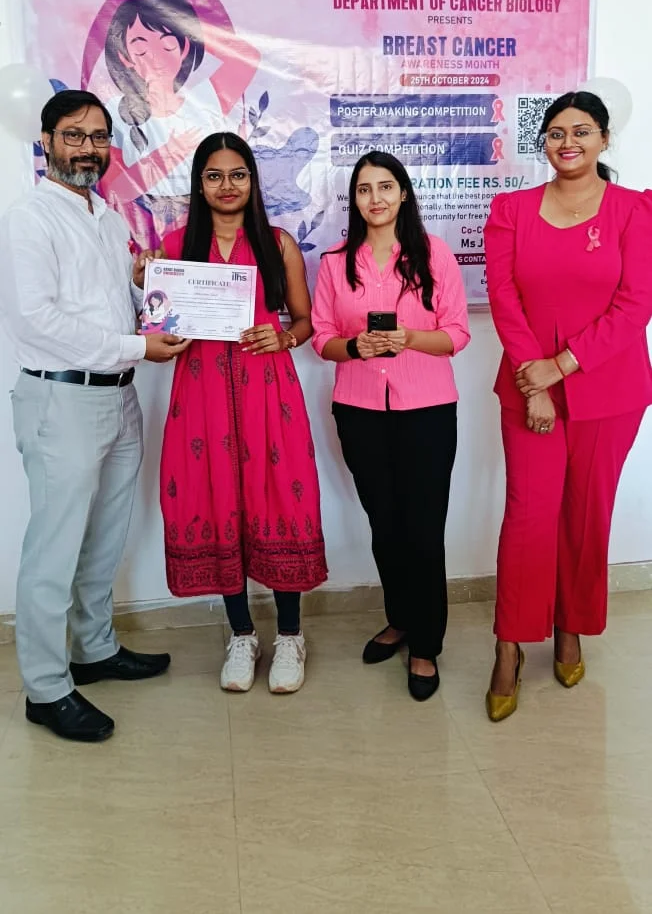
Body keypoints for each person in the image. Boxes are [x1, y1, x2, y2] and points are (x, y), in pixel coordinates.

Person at [0, 90, 191, 743]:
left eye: (98, 136)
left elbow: (116, 305)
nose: (87, 148)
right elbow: (38, 322)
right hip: (62, 399)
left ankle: (94, 649)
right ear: (47, 142)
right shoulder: (27, 221)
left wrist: (146, 286)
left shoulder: (108, 219)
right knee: (54, 549)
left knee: (104, 536)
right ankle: (46, 688)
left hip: (118, 395)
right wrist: (139, 346)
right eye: (73, 135)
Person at [484, 91, 652, 722]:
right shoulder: (511, 210)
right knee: (529, 517)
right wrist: (538, 383)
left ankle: (570, 625)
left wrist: (563, 366)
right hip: (528, 385)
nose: (568, 142)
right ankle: (509, 645)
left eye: (581, 131)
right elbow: (504, 297)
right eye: (556, 132)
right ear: (544, 144)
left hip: (610, 390)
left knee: (586, 515)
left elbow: (635, 305)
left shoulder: (635, 211)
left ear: (605, 139)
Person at [159, 133, 327, 694]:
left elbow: (305, 322)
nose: (226, 186)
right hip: (201, 393)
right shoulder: (176, 245)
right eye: (214, 175)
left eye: (238, 174)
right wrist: (150, 295)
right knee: (217, 499)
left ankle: (290, 636)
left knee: (278, 497)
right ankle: (241, 634)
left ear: (253, 181)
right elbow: (161, 330)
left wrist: (283, 337)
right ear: (199, 183)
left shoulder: (277, 244)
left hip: (268, 393)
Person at [311, 152, 470, 701]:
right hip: (359, 411)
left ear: (404, 193)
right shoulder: (336, 263)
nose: (374, 198)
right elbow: (321, 337)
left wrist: (409, 338)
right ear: (353, 199)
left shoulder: (434, 254)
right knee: (385, 524)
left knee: (423, 530)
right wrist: (355, 347)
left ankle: (425, 643)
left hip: (426, 411)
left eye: (385, 186)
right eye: (363, 189)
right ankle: (400, 618)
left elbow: (457, 333)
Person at [79, 0, 260, 250]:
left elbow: (247, 57)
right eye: (141, 49)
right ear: (125, 57)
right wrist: (169, 153)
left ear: (185, 46)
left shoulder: (206, 99)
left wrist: (186, 24)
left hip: (209, 233)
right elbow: (115, 189)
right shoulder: (113, 114)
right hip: (143, 234)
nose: (156, 57)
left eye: (167, 44)